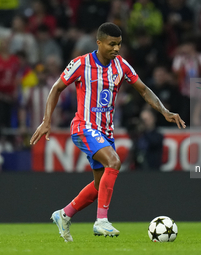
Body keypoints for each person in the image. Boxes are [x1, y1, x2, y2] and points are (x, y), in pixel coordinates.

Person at [29, 22, 186, 242]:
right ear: (99, 42)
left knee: (98, 187)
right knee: (114, 161)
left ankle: (64, 214)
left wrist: (164, 110)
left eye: (119, 44)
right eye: (112, 44)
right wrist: (47, 121)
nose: (116, 49)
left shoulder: (121, 65)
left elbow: (143, 89)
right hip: (83, 126)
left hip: (105, 132)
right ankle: (101, 221)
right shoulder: (80, 64)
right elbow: (56, 88)